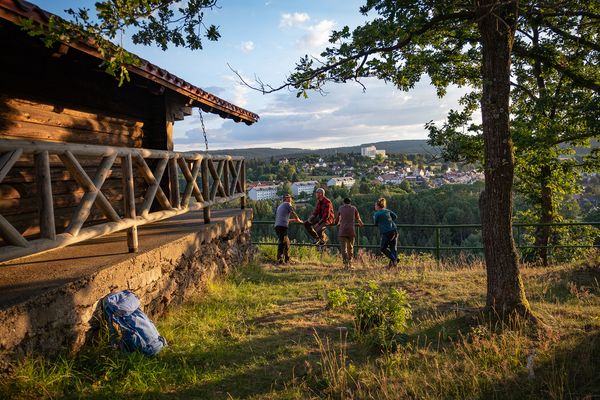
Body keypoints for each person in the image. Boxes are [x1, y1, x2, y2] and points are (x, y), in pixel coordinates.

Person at [335, 197, 364, 269]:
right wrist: (361, 224)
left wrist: (336, 223)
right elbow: (358, 218)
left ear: (343, 203)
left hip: (342, 231)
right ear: (350, 203)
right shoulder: (354, 208)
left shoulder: (341, 208)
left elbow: (337, 219)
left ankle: (345, 264)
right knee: (350, 248)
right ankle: (350, 264)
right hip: (351, 230)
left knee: (343, 248)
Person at [274, 194, 302, 264]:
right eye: (288, 198)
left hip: (277, 226)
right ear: (285, 199)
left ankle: (286, 259)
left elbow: (286, 219)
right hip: (282, 226)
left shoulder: (280, 206)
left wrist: (294, 220)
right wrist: (298, 219)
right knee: (283, 243)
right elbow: (293, 212)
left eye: (290, 198)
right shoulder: (287, 204)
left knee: (286, 242)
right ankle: (280, 260)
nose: (290, 200)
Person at [373, 197, 398, 267]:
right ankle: (393, 265)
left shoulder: (377, 214)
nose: (374, 207)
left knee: (383, 248)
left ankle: (394, 259)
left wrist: (382, 222)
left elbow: (375, 223)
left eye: (375, 205)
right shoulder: (387, 211)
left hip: (387, 232)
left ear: (378, 206)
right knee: (393, 248)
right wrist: (388, 221)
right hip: (394, 230)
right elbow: (395, 216)